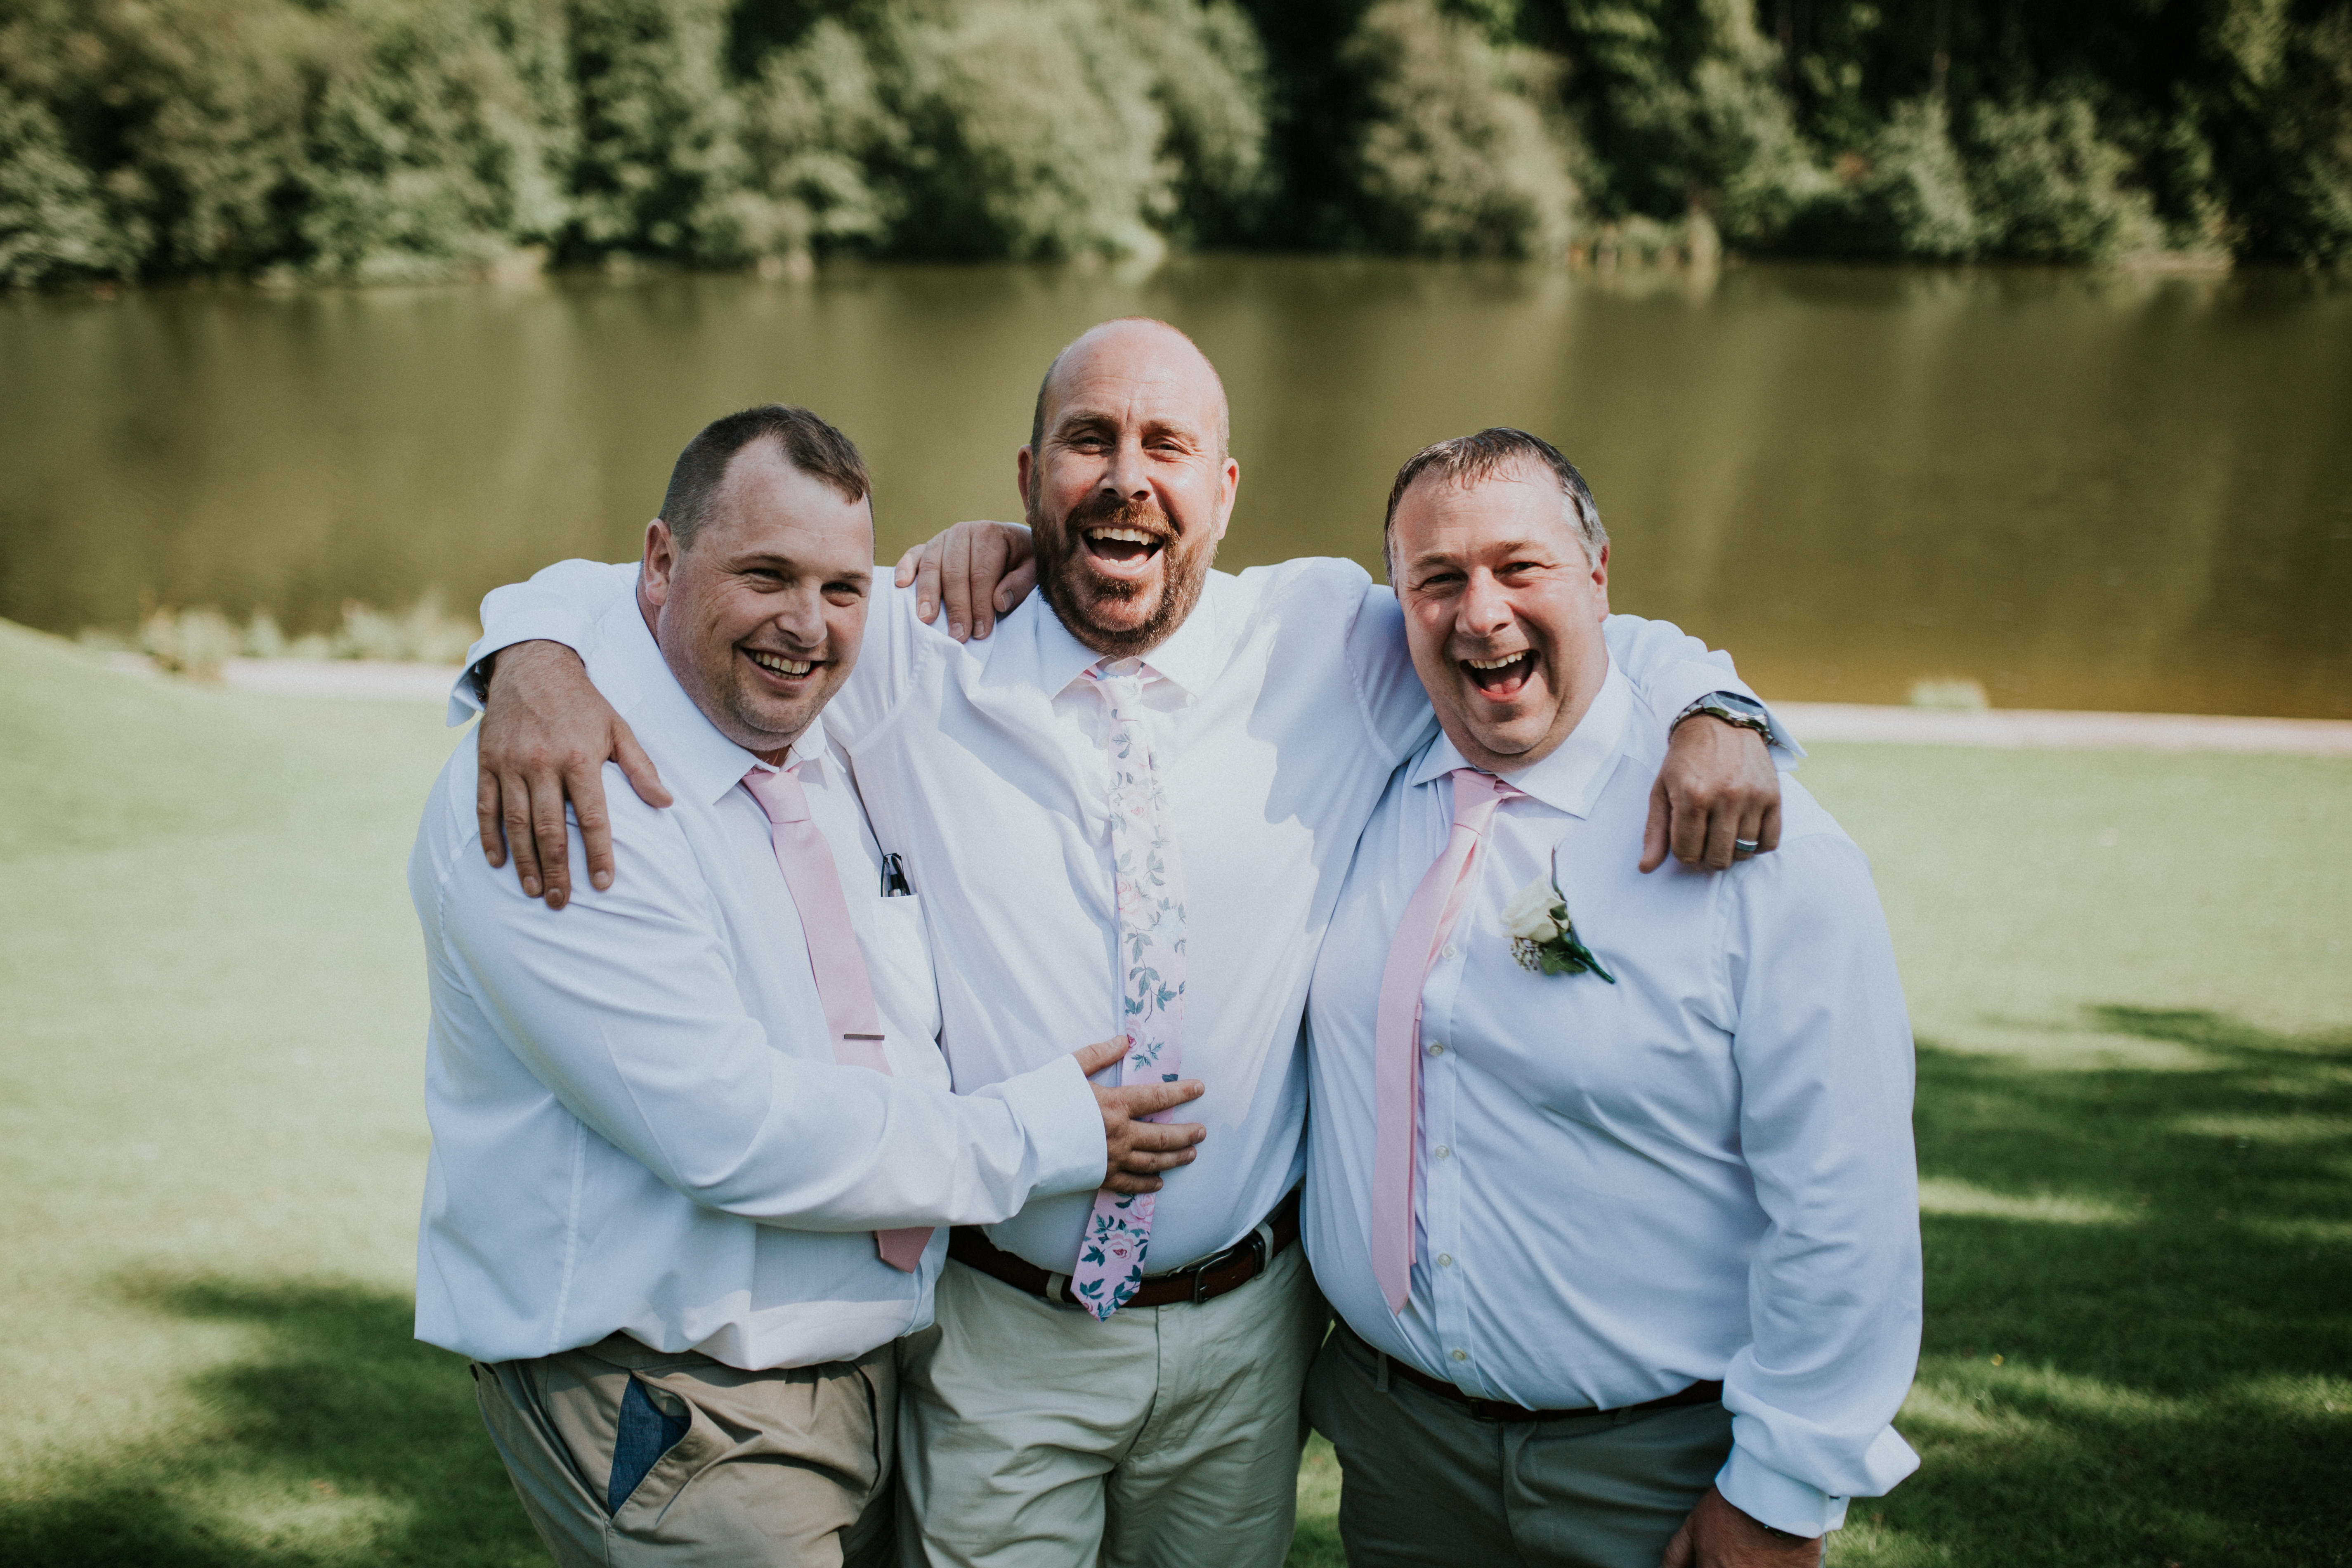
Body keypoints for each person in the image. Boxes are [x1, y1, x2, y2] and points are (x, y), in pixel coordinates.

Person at [455, 319, 1791, 1568]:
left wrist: (1717, 703)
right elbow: (700, 579)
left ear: (1222, 487)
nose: (1124, 477)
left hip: (1245, 1336)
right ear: (1032, 478)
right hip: (999, 1325)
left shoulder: (1336, 643)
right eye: (1090, 442)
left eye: (1163, 449)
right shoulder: (915, 649)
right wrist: (532, 649)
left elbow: (1567, 625)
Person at [410, 403, 1209, 1568]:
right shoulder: (567, 794)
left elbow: (872, 597)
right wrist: (1041, 1132)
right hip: (676, 1397)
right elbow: (726, 1127)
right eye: (765, 575)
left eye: (842, 589)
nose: (809, 624)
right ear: (659, 564)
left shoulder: (814, 735)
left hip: (870, 1379)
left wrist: (1008, 539)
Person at [1299, 428, 1922, 1568]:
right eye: (1437, 579)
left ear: (1597, 575)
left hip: (1652, 1473)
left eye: (1519, 567)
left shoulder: (1761, 845)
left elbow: (1845, 1208)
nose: (1479, 612)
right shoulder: (1368, 767)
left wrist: (1779, 1494)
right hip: (1398, 1453)